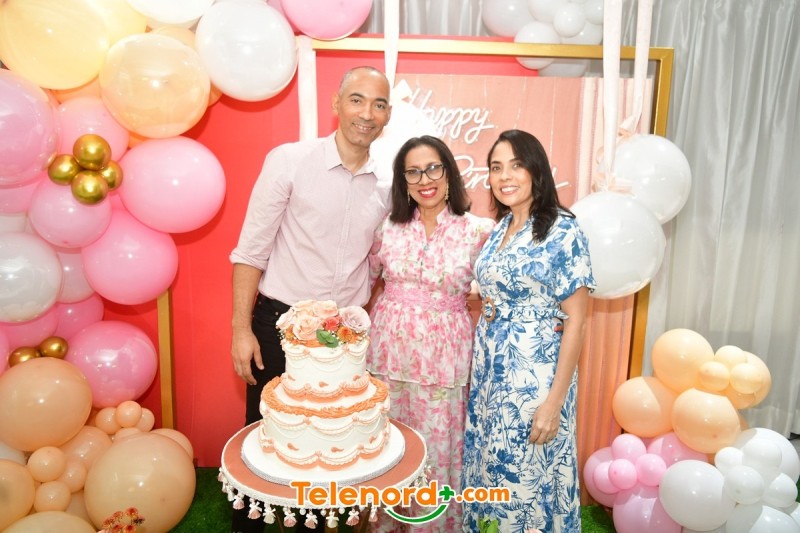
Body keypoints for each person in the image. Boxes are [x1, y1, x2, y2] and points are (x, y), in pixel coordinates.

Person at [228, 66, 392, 533]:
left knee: (326, 450)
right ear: (336, 104)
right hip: (278, 327)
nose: (367, 113)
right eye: (357, 100)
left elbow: (378, 260)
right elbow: (251, 250)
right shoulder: (289, 161)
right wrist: (241, 329)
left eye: (379, 104)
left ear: (387, 116)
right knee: (265, 443)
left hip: (343, 339)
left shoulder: (386, 184)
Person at [461, 130, 595, 532]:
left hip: (532, 379)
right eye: (496, 167)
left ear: (536, 170)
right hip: (490, 374)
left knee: (526, 477)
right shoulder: (502, 227)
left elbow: (576, 321)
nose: (505, 176)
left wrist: (553, 403)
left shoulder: (563, 230)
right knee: (490, 469)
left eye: (516, 165)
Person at [366, 135, 494, 532]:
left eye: (433, 168)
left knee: (436, 451)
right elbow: (365, 281)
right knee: (390, 446)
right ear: (403, 181)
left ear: (449, 173)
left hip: (444, 361)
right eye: (414, 172)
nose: (425, 179)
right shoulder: (387, 228)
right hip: (388, 356)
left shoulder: (478, 231)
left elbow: (501, 288)